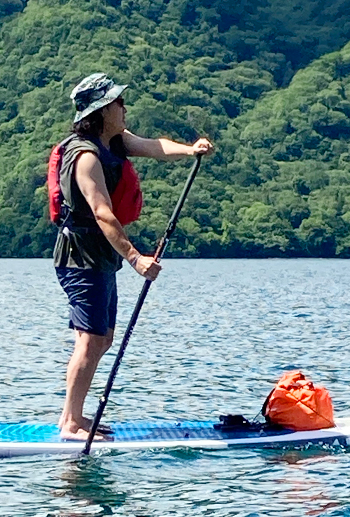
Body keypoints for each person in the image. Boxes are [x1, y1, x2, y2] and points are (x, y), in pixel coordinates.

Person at [54, 73, 213, 440]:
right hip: (80, 257)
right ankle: (72, 423)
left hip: (99, 257)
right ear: (101, 111)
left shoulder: (115, 141)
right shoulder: (86, 157)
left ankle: (71, 418)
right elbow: (102, 212)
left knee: (102, 337)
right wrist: (136, 259)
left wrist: (191, 149)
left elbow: (154, 147)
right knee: (91, 339)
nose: (124, 107)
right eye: (118, 103)